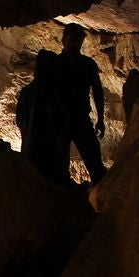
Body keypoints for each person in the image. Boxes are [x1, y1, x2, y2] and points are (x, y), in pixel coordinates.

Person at [53, 23, 107, 185]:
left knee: (94, 160)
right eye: (72, 40)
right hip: (60, 119)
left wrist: (101, 119)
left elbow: (98, 92)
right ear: (64, 40)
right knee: (59, 162)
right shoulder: (55, 63)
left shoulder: (87, 64)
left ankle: (98, 195)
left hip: (79, 118)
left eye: (79, 40)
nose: (76, 44)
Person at [17, 49, 67, 184]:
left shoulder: (26, 91)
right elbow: (58, 120)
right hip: (49, 150)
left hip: (29, 146)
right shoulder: (54, 92)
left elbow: (19, 119)